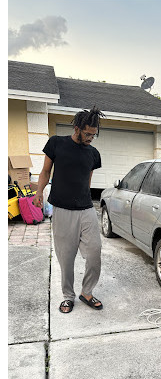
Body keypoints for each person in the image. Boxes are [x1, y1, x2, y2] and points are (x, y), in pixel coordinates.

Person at [33, 106, 105, 314]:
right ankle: (68, 296)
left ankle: (87, 292)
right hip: (62, 209)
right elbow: (46, 171)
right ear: (77, 128)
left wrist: (83, 197)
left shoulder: (93, 153)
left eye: (94, 134)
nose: (91, 138)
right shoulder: (56, 143)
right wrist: (39, 193)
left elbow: (87, 180)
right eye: (88, 133)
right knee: (66, 256)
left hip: (86, 208)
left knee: (94, 252)